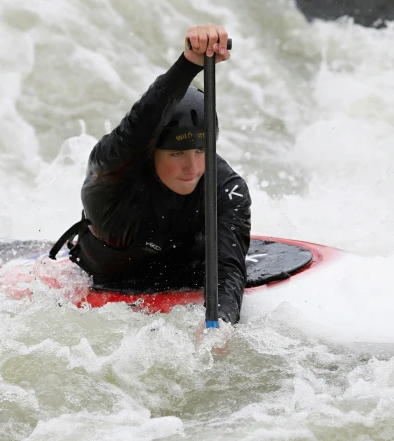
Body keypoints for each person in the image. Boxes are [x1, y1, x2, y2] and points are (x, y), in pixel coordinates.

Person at [50, 24, 251, 326]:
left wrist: (220, 326)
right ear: (150, 151)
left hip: (185, 274)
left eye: (201, 151)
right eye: (177, 154)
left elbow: (226, 270)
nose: (193, 168)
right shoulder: (112, 175)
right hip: (103, 276)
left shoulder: (225, 188)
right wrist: (189, 64)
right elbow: (140, 124)